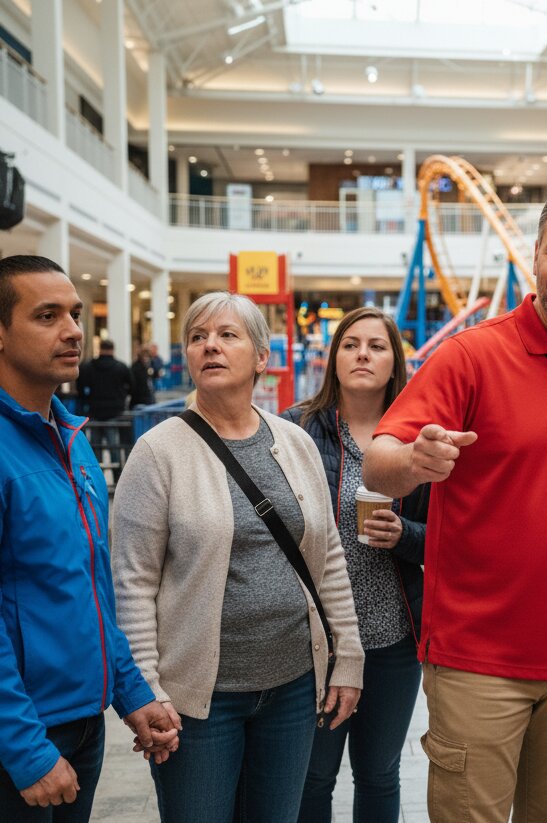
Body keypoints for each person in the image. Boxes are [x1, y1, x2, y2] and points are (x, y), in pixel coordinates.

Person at [363, 183, 547, 823]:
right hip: (478, 660)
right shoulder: (471, 355)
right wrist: (413, 462)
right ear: (535, 257)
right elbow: (379, 460)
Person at [111, 291, 364, 823]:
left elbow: (329, 558)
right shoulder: (159, 452)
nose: (210, 346)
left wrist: (349, 659)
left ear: (261, 357)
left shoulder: (294, 443)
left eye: (227, 335)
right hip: (200, 701)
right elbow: (132, 583)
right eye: (198, 337)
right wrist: (148, 689)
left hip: (294, 688)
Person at [0, 254, 177, 822]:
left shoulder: (70, 440)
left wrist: (131, 695)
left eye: (75, 314)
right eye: (47, 316)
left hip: (81, 725)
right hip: (22, 735)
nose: (74, 330)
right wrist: (25, 750)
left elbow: (92, 591)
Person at [283, 306, 425, 823]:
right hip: (317, 640)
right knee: (313, 778)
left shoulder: (416, 442)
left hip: (394, 639)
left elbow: (449, 541)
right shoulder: (296, 430)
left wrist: (404, 535)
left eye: (377, 346)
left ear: (395, 364)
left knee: (380, 775)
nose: (363, 354)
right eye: (351, 344)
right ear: (335, 359)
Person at [77, 338, 134, 420]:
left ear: (100, 349)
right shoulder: (122, 367)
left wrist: (86, 399)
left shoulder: (88, 367)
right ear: (113, 349)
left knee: (95, 431)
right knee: (112, 431)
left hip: (94, 407)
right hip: (116, 407)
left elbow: (80, 386)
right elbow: (132, 386)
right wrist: (123, 396)